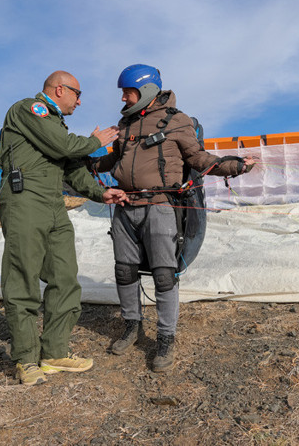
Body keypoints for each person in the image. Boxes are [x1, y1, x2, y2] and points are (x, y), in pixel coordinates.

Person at [87, 64, 255, 372]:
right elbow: (113, 160)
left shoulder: (176, 121)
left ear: (147, 91)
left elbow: (198, 159)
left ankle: (165, 338)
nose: (123, 98)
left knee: (164, 275)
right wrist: (87, 159)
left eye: (128, 92)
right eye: (123, 93)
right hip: (125, 206)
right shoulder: (124, 125)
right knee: (124, 271)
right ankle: (131, 326)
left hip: (161, 206)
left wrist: (234, 166)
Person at [0, 70, 128, 386]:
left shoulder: (57, 126)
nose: (80, 101)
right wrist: (94, 141)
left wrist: (101, 193)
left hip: (53, 206)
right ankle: (26, 360)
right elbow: (64, 146)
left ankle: (54, 352)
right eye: (77, 94)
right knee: (23, 279)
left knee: (65, 277)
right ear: (59, 90)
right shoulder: (29, 109)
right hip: (24, 202)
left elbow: (72, 168)